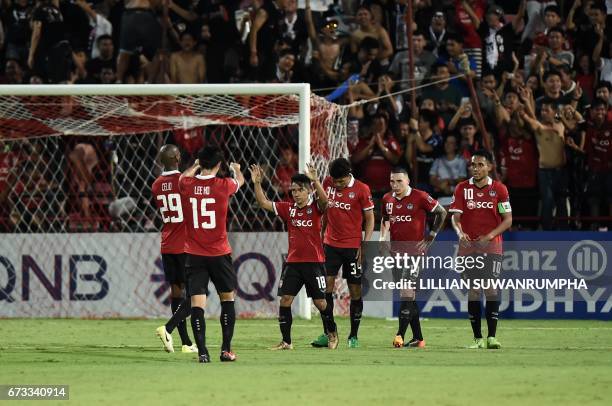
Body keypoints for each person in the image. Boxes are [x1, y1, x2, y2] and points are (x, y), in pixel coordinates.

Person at [250, 163, 339, 350]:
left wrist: (315, 180)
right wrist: (257, 184)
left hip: (314, 263)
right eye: (293, 191)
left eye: (299, 190)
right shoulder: (288, 209)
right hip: (292, 263)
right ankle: (286, 341)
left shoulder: (316, 207)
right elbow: (264, 203)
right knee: (285, 300)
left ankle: (332, 333)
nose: (296, 194)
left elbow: (325, 202)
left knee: (321, 302)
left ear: (308, 191)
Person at [179, 146, 245, 363]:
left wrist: (196, 165)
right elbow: (240, 182)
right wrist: (236, 169)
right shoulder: (224, 185)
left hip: (194, 254)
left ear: (201, 163)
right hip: (219, 253)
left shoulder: (187, 184)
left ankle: (202, 352)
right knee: (227, 298)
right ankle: (226, 350)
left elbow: (183, 177)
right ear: (219, 165)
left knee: (197, 303)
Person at [449, 150, 512, 349]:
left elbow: (508, 219)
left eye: (480, 165)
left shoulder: (499, 190)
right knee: (474, 291)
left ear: (489, 167)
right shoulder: (462, 188)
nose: (475, 169)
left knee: (491, 288)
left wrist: (490, 236)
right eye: (473, 165)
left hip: (492, 246)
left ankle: (492, 337)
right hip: (468, 248)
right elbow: (455, 217)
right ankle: (477, 339)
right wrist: (460, 234)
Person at [310, 158, 375, 349]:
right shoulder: (328, 183)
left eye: (341, 182)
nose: (337, 185)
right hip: (330, 244)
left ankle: (353, 335)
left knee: (355, 291)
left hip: (353, 247)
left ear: (349, 174)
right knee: (325, 290)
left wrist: (365, 243)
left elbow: (370, 218)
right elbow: (322, 209)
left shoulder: (362, 189)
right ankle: (328, 332)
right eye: (335, 181)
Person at [380, 167, 447, 348]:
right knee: (408, 297)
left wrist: (431, 236)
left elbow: (441, 212)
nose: (395, 185)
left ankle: (399, 334)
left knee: (406, 292)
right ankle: (418, 338)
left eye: (399, 181)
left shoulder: (420, 196)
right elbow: (385, 218)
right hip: (396, 254)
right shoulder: (387, 199)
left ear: (408, 181)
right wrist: (382, 237)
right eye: (392, 181)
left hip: (415, 254)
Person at [152, 145, 196, 354]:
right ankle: (169, 329)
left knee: (176, 292)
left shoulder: (156, 185)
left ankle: (186, 343)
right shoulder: (185, 181)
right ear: (178, 157)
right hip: (186, 245)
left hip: (167, 244)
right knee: (197, 293)